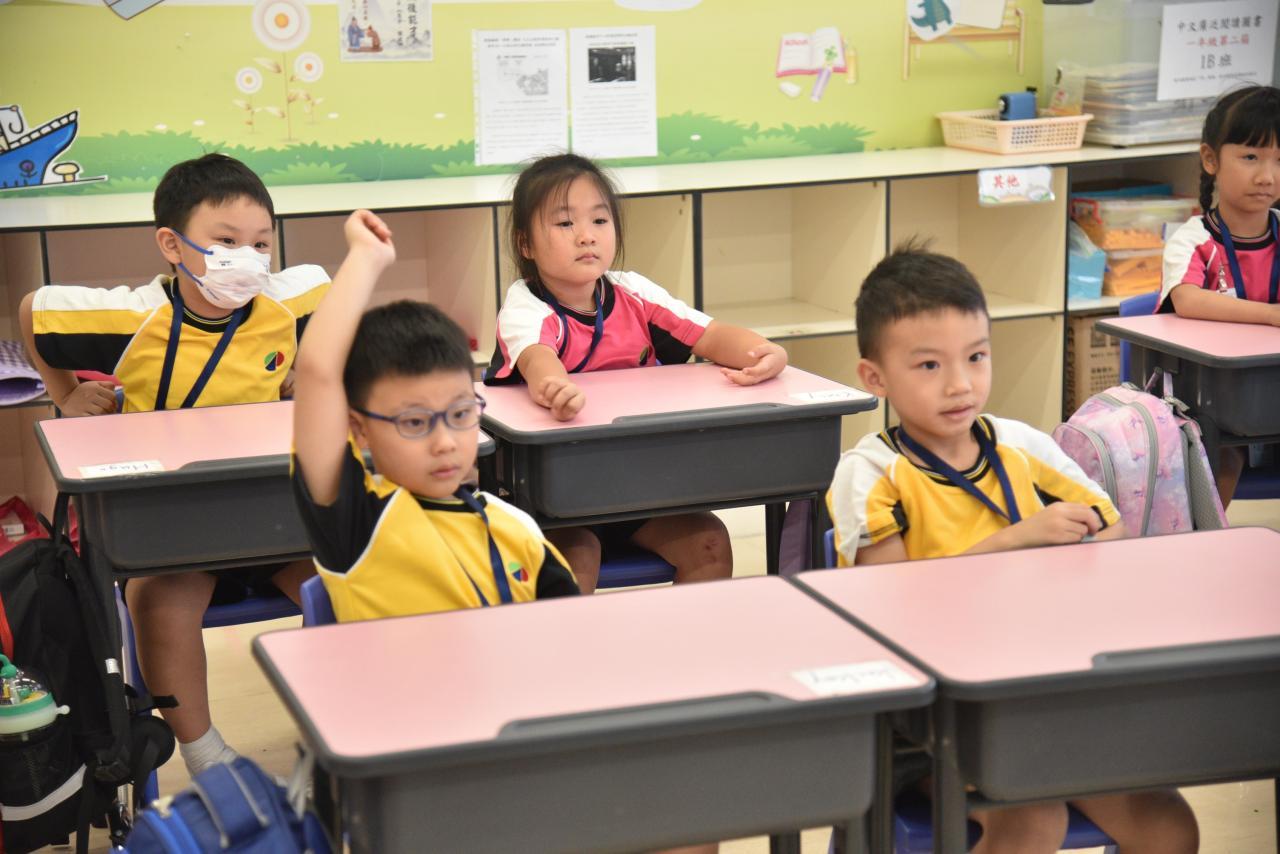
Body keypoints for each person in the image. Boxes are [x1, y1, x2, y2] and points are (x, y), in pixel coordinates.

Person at [827, 245, 1199, 854]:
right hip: (929, 721)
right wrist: (1014, 544)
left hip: (1039, 693)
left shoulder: (1020, 446)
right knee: (1034, 819)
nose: (960, 384)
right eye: (929, 365)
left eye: (976, 357)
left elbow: (1111, 534)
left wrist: (1059, 564)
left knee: (1168, 827)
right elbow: (888, 608)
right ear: (875, 378)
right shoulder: (869, 472)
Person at [18, 152, 329, 776]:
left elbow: (329, 314)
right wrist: (65, 394)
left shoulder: (292, 299)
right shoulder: (131, 317)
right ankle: (208, 756)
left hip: (272, 518)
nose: (248, 258)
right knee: (161, 604)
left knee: (351, 582)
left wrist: (302, 369)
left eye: (260, 243)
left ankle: (337, 729)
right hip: (174, 531)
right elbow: (31, 309)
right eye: (226, 242)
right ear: (171, 244)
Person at [484, 152, 788, 595]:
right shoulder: (525, 305)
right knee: (577, 560)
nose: (586, 235)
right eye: (565, 223)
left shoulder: (633, 291)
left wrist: (764, 352)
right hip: (556, 498)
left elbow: (708, 334)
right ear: (525, 244)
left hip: (639, 485)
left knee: (709, 544)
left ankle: (683, 642)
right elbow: (537, 358)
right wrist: (555, 389)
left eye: (599, 220)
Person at [291, 209, 578, 622]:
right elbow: (317, 373)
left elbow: (568, 634)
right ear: (359, 429)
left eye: (460, 414)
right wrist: (366, 258)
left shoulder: (513, 528)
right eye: (414, 423)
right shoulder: (359, 522)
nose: (444, 442)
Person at [1160, 84, 1280, 504]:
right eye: (1250, 157)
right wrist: (1270, 314)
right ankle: (1210, 536)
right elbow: (1187, 299)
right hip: (1212, 398)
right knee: (1221, 456)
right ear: (1211, 159)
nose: (1267, 176)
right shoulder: (1195, 239)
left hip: (1271, 385)